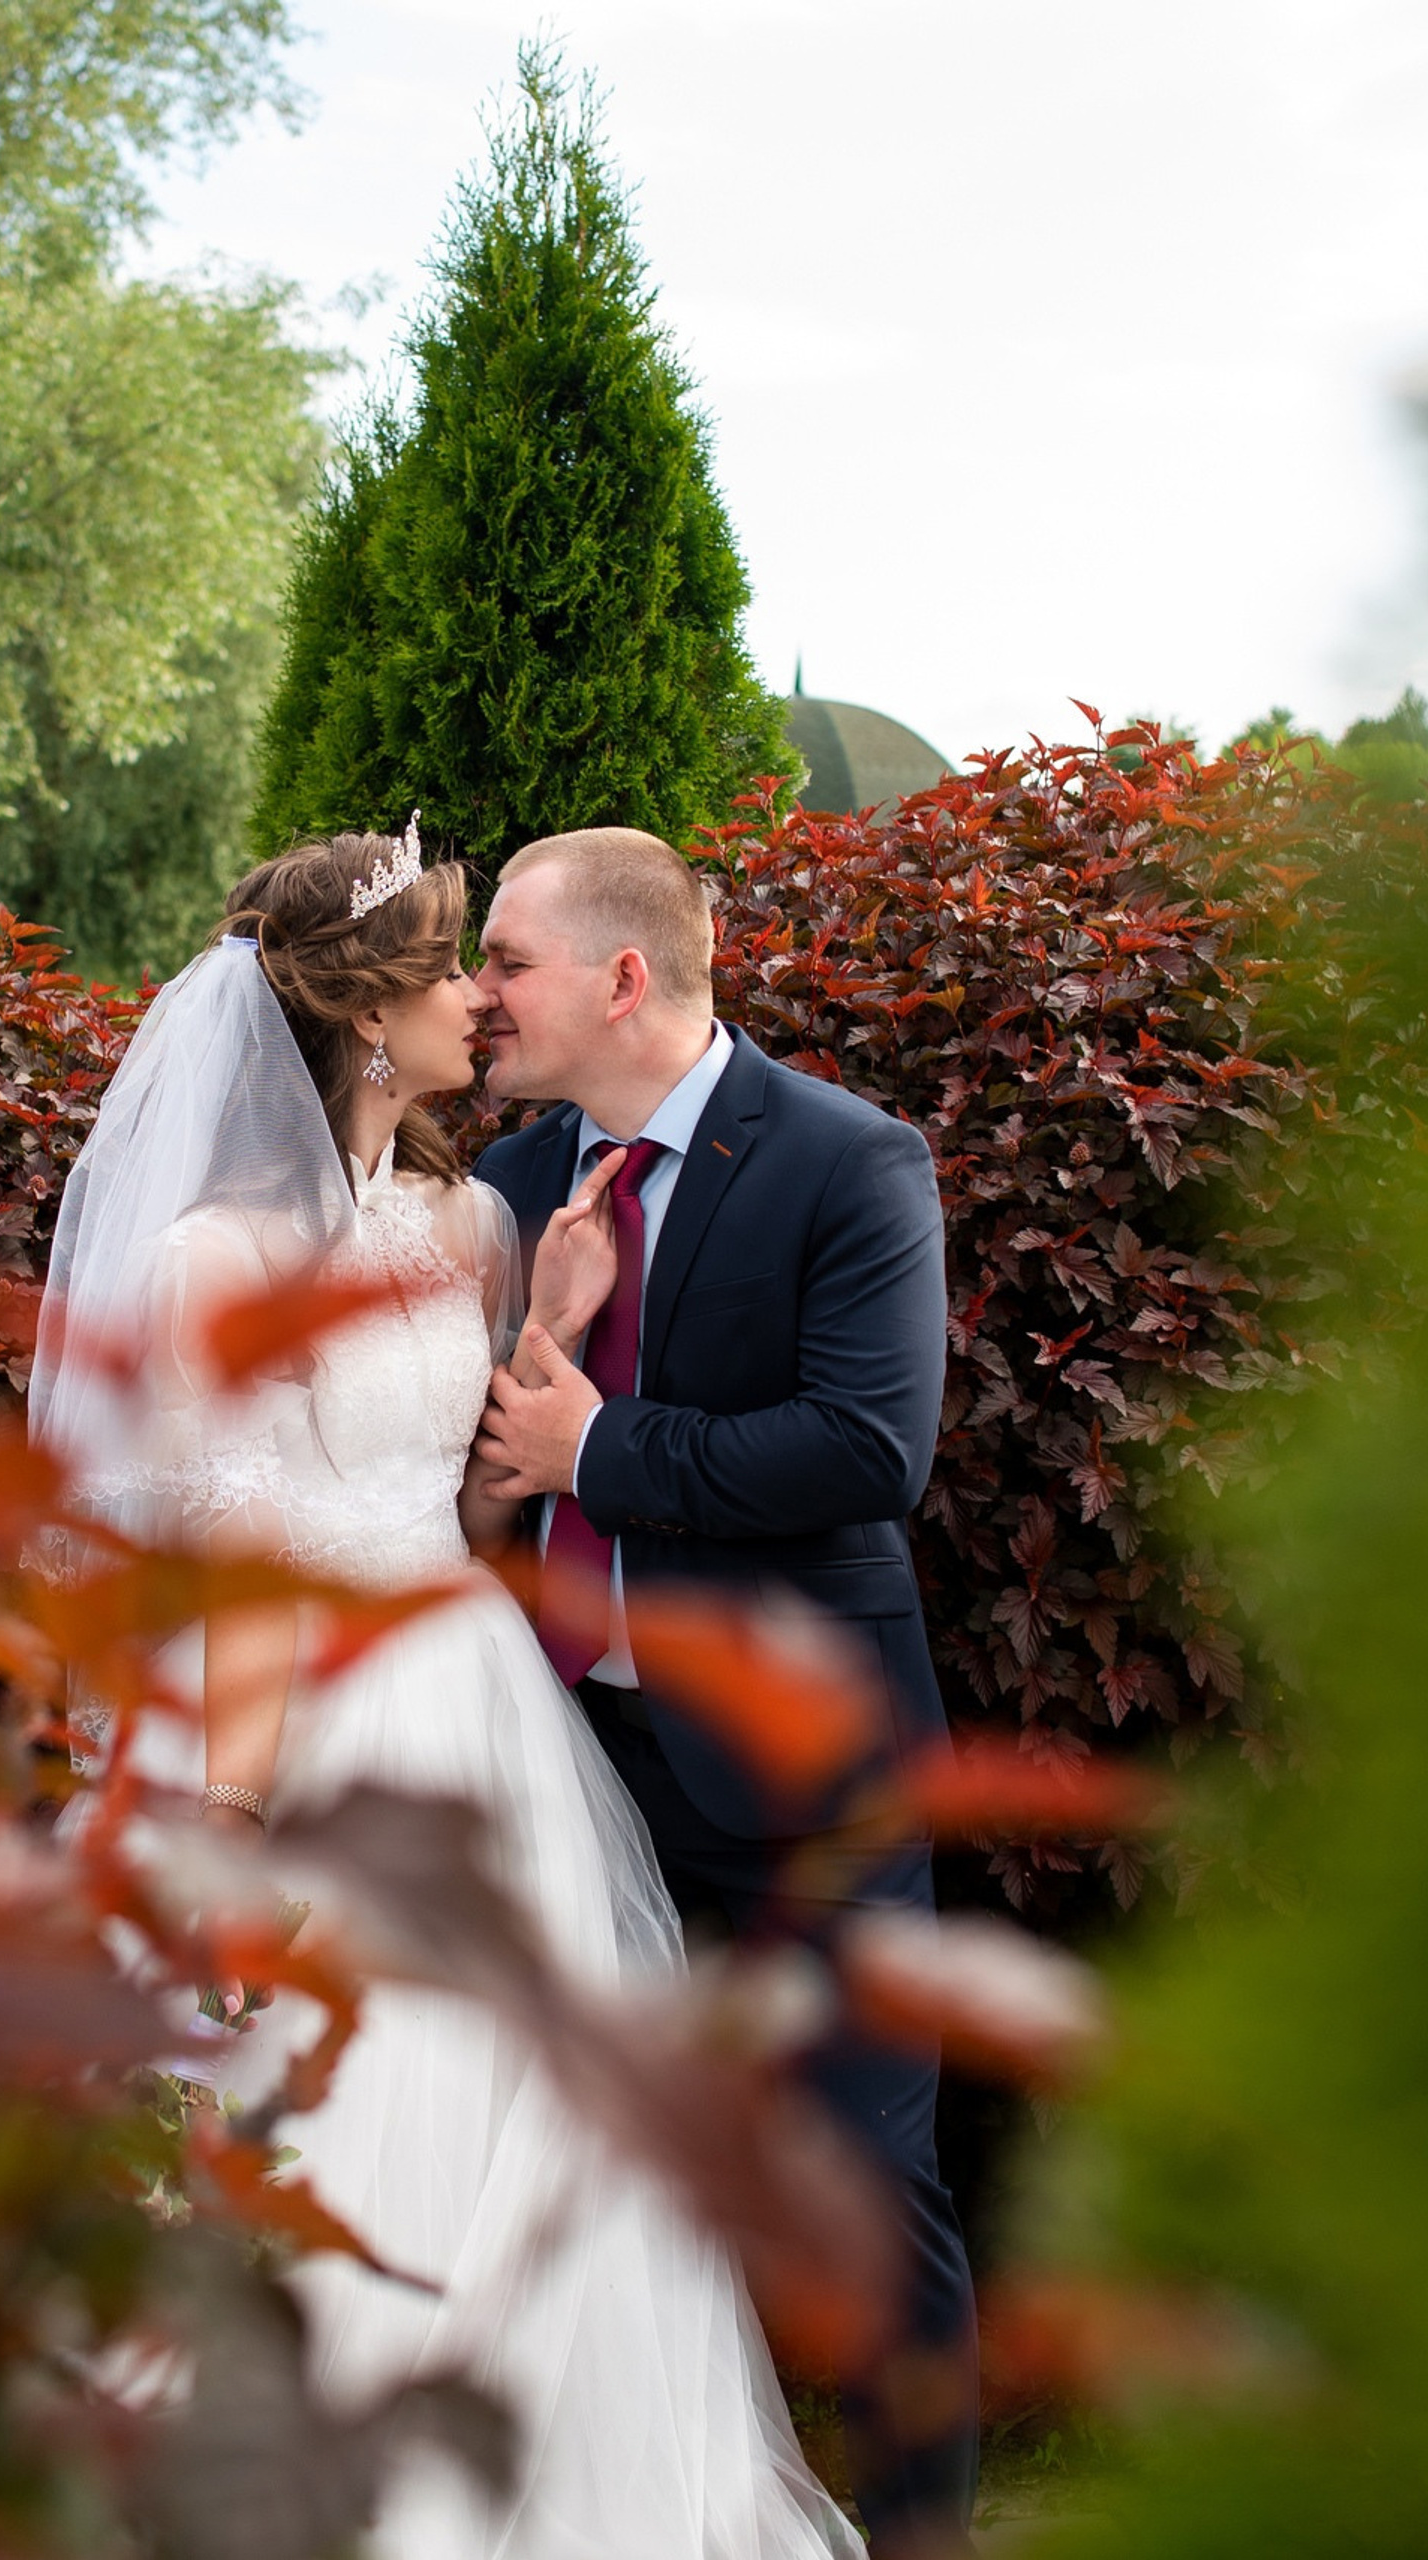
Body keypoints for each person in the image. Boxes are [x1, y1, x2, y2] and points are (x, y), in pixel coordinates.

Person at [30, 826, 862, 2560]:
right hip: (313, 1729)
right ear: (359, 1014)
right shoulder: (214, 1263)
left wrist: (549, 1331)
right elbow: (238, 1577)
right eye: (442, 973)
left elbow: (471, 1501)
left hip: (484, 1714)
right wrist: (231, 1817)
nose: (476, 1002)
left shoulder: (468, 1222)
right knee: (340, 2133)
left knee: (542, 2145)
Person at [468, 828, 978, 2553]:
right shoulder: (517, 1177)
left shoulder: (850, 1160)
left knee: (865, 2182)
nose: (480, 993)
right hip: (580, 1771)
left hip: (799, 1777)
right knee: (586, 2186)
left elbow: (867, 1447)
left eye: (508, 958)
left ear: (625, 977)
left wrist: (598, 1448)